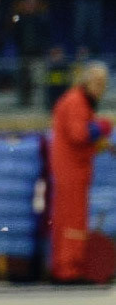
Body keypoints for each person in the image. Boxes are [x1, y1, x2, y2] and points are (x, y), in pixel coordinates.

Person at [48, 62, 113, 283]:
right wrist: (102, 127)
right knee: (73, 220)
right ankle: (69, 270)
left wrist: (101, 141)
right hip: (71, 170)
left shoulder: (80, 101)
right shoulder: (76, 101)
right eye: (98, 83)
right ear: (87, 81)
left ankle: (63, 266)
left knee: (67, 219)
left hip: (74, 169)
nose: (101, 88)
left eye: (103, 84)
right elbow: (79, 135)